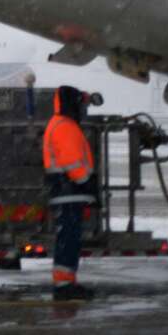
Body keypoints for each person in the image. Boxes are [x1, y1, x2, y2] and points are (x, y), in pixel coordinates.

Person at [43, 85, 97, 301]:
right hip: (70, 190)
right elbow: (72, 161)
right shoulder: (65, 126)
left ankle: (65, 282)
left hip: (68, 191)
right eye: (80, 103)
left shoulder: (63, 124)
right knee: (68, 239)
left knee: (68, 238)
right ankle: (64, 285)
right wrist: (86, 182)